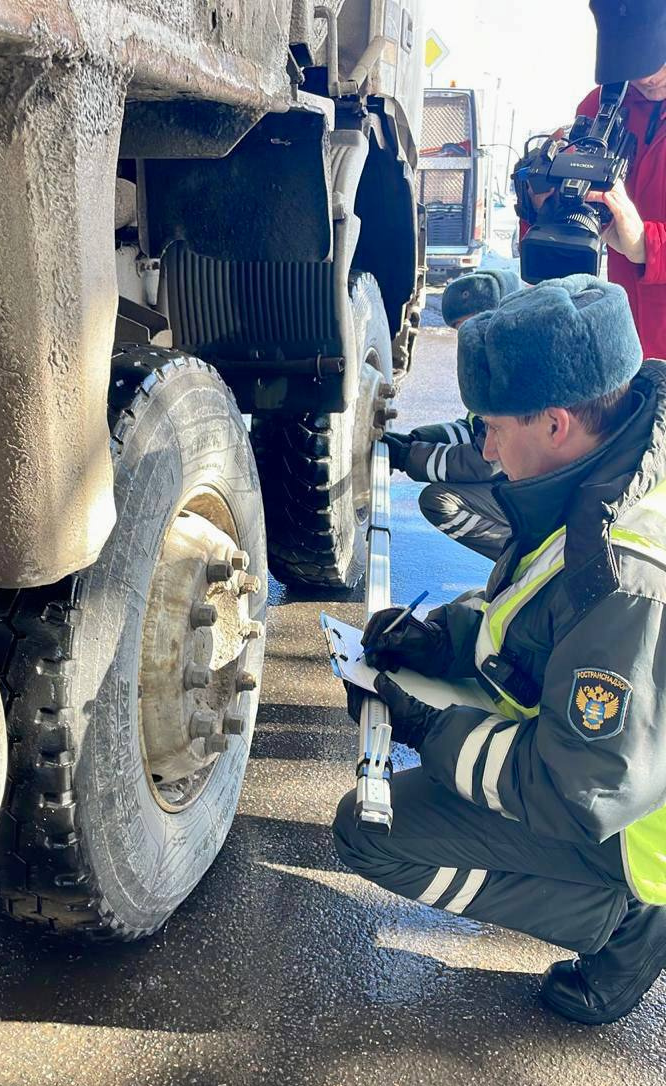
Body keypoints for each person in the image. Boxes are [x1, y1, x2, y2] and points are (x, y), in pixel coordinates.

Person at [334, 275, 666, 1025]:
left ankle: (625, 923)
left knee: (369, 831)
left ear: (553, 424)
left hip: (631, 826)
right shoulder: (615, 464)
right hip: (622, 764)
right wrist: (445, 641)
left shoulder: (627, 574)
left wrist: (427, 729)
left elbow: (577, 791)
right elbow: (535, 612)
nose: (481, 446)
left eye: (491, 426)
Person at [528, 0, 666, 358]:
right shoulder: (601, 107)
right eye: (633, 62)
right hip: (624, 345)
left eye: (655, 58)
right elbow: (563, 241)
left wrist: (646, 245)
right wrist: (544, 201)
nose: (647, 77)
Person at [384, 268, 519, 560]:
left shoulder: (511, 373)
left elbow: (487, 462)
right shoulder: (496, 360)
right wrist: (417, 439)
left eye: (472, 326)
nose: (466, 339)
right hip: (525, 479)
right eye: (460, 331)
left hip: (538, 495)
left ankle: (522, 555)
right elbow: (473, 429)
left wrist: (408, 458)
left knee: (439, 501)